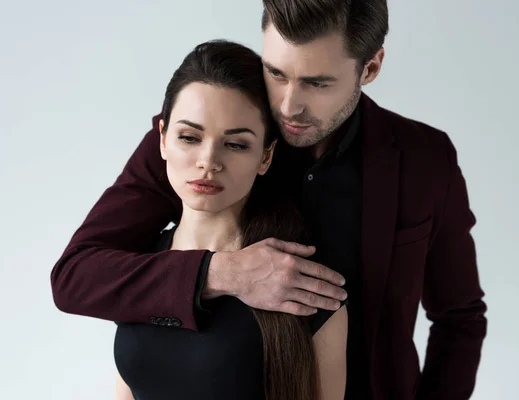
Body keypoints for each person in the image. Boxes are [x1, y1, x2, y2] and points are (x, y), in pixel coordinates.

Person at [51, 1, 488, 399]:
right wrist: (223, 273)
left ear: (370, 67)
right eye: (276, 72)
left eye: (317, 83)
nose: (289, 106)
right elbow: (77, 276)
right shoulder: (210, 136)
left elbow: (460, 317)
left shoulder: (425, 158)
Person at [111, 40, 347, 400]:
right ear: (161, 139)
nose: (208, 161)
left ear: (266, 157)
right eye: (189, 137)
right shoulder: (139, 264)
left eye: (235, 144)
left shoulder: (302, 284)